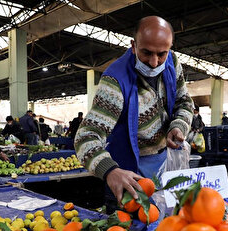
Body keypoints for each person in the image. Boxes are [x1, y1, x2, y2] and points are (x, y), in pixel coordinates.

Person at [75, 16, 194, 204]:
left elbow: (185, 101)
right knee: (128, 229)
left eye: (161, 54)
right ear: (133, 46)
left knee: (167, 224)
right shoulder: (115, 82)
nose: (154, 62)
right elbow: (86, 137)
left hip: (165, 164)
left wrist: (178, 126)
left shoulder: (172, 62)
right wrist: (110, 171)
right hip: (128, 173)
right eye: (146, 53)